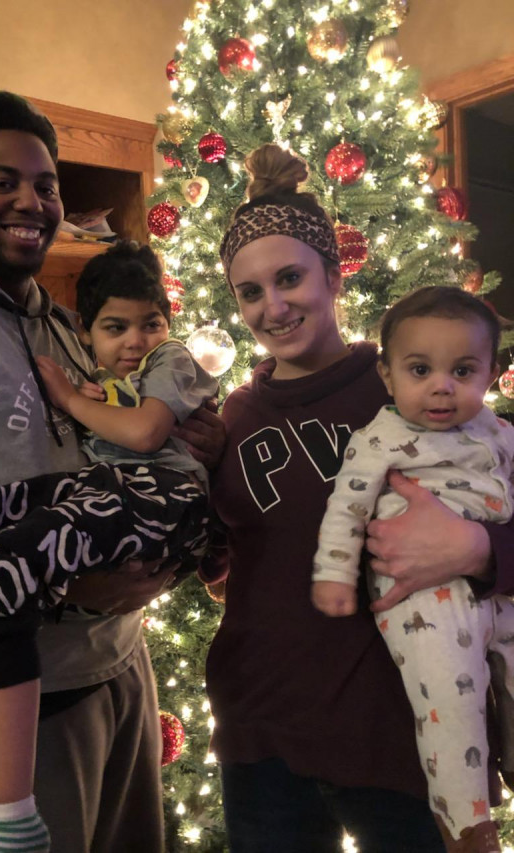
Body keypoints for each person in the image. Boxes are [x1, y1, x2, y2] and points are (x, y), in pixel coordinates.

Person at [0, 89, 223, 853]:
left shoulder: (65, 325)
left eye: (46, 183)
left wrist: (190, 445)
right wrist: (65, 584)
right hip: (19, 704)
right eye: (4, 182)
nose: (32, 201)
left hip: (123, 667)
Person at [201, 143, 514, 853]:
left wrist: (477, 548)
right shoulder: (234, 418)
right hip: (262, 738)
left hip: (394, 744)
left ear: (335, 277)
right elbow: (226, 560)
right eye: (250, 292)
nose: (273, 306)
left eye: (290, 278)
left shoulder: (414, 388)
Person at [311, 286, 514, 851]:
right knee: (451, 701)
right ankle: (467, 825)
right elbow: (346, 507)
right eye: (420, 369)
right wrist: (332, 574)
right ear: (388, 374)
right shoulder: (381, 437)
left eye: (463, 370)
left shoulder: (498, 431)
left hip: (500, 593)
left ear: (491, 374)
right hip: (424, 598)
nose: (441, 386)